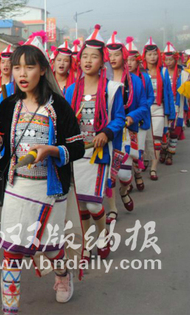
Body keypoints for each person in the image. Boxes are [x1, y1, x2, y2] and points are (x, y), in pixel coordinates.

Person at [0, 33, 85, 314]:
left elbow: (77, 147)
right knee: (11, 250)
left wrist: (51, 150)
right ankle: (10, 309)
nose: (22, 73)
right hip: (17, 188)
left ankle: (62, 274)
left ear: (42, 69)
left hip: (49, 190)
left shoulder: (59, 106)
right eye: (17, 67)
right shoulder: (7, 105)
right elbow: (2, 149)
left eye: (29, 67)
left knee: (51, 247)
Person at [64, 25, 125, 261]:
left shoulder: (112, 89)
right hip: (77, 153)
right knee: (80, 204)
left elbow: (119, 118)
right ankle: (88, 242)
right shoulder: (71, 90)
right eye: (85, 56)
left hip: (98, 154)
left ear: (103, 62)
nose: (88, 61)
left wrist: (106, 132)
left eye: (94, 57)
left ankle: (103, 235)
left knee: (93, 204)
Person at [104, 32, 149, 224]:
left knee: (124, 174)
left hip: (126, 133)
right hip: (107, 131)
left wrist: (131, 116)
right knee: (109, 173)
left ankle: (124, 192)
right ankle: (112, 208)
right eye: (109, 55)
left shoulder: (135, 81)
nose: (113, 58)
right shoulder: (101, 80)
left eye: (116, 54)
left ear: (123, 56)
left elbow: (144, 106)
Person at [142, 38, 175, 181]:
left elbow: (168, 93)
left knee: (156, 139)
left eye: (155, 54)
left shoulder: (163, 72)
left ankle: (153, 168)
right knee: (143, 139)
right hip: (143, 110)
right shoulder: (140, 72)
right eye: (149, 54)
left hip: (158, 109)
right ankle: (144, 160)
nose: (152, 57)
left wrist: (171, 114)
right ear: (144, 56)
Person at [126, 37, 155, 192]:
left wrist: (143, 108)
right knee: (126, 151)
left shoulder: (144, 78)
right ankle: (128, 179)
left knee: (137, 152)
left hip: (140, 120)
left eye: (133, 60)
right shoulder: (117, 78)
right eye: (127, 60)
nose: (129, 63)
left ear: (138, 62)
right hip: (125, 121)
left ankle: (137, 174)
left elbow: (150, 97)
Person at [162, 42, 187, 166]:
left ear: (175, 59)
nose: (168, 62)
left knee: (174, 131)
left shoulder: (182, 72)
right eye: (166, 59)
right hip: (165, 105)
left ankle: (170, 154)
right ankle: (163, 150)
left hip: (177, 105)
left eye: (171, 59)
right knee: (162, 130)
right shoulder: (161, 72)